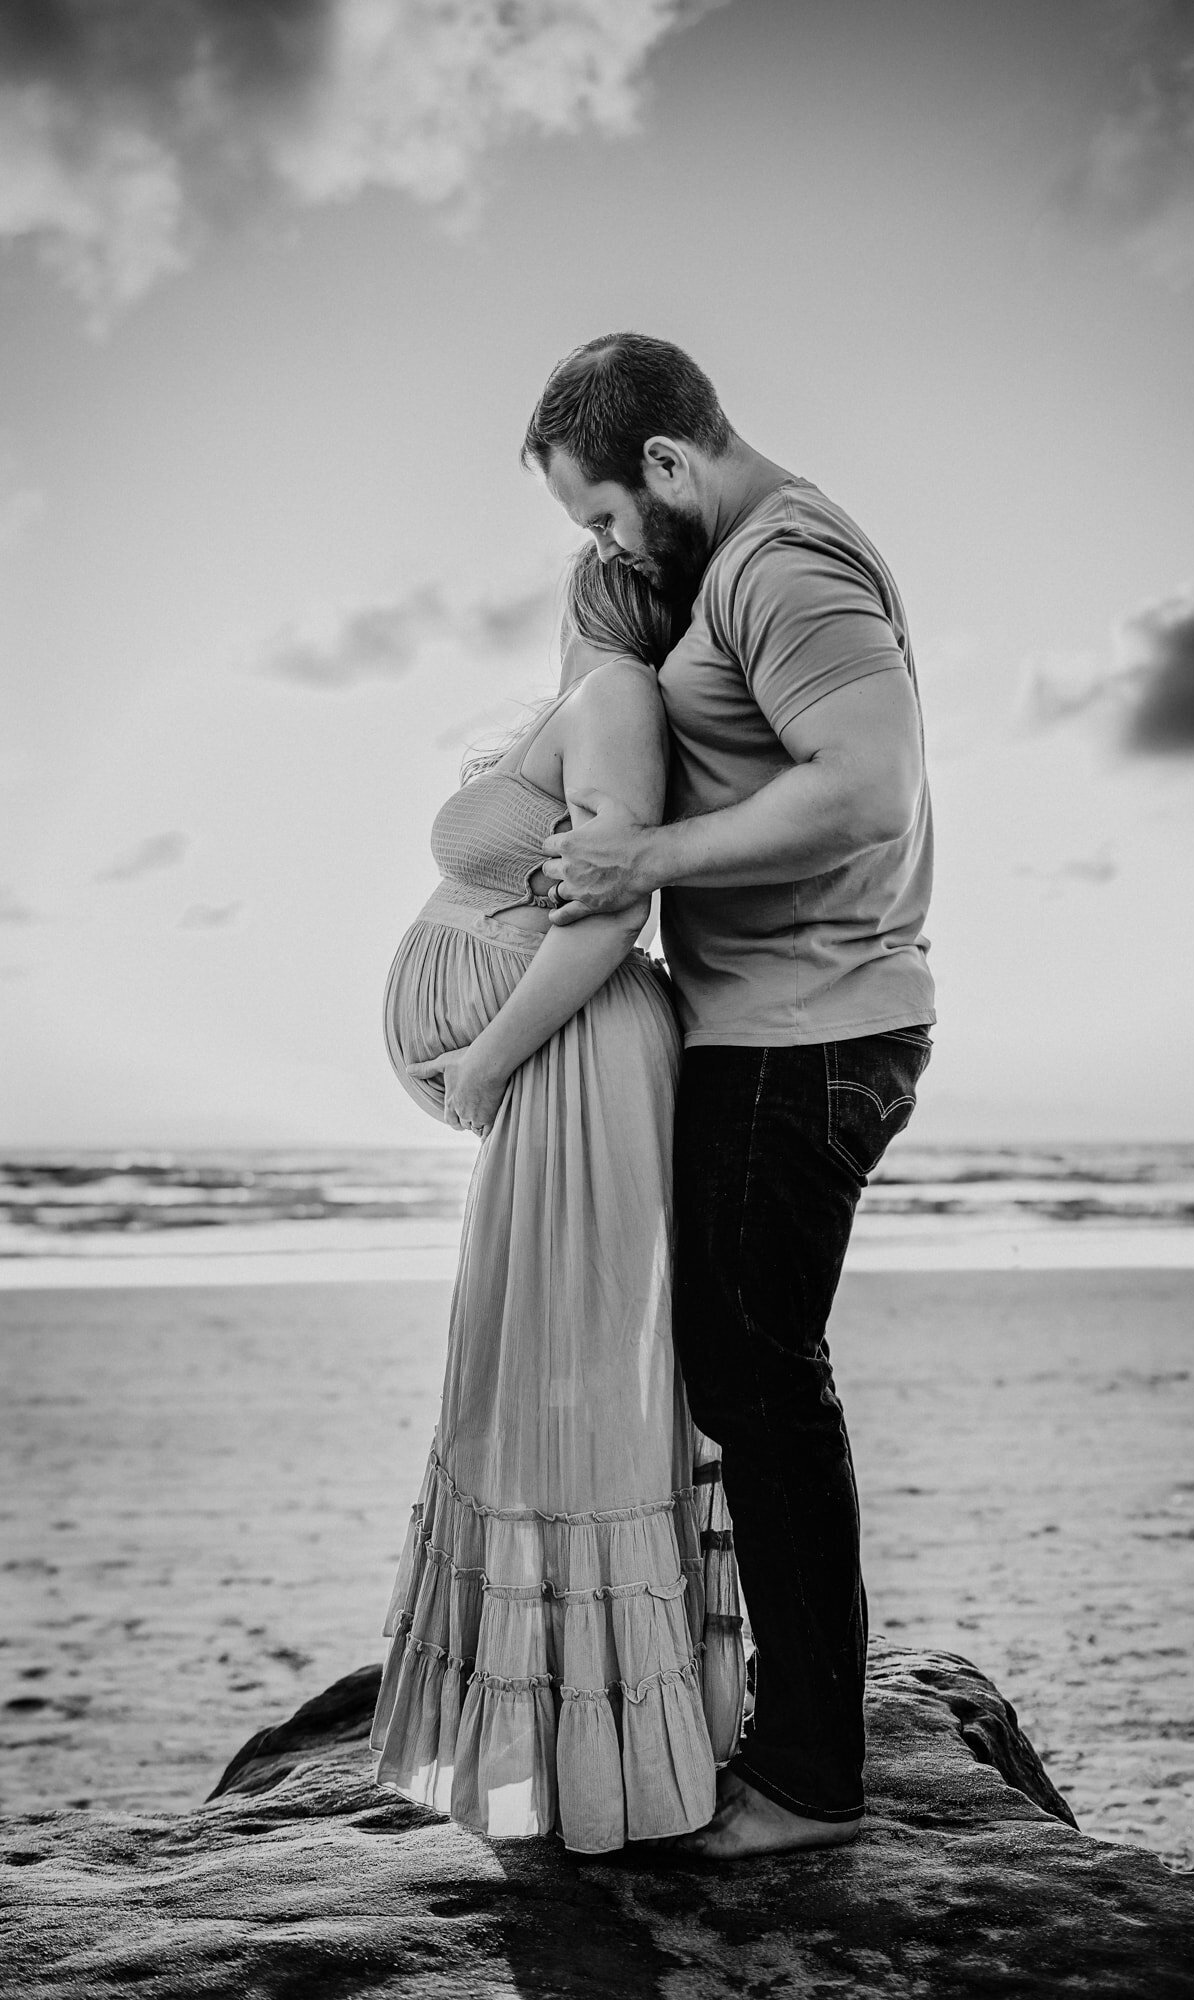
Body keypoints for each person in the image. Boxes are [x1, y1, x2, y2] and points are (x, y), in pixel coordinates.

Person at [524, 333, 936, 1858]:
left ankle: (811, 1779)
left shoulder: (782, 563)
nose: (610, 547)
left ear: (669, 466)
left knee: (760, 1386)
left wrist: (646, 861)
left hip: (805, 1035)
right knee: (749, 1379)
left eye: (604, 518)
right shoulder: (729, 573)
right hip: (779, 1029)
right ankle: (790, 1736)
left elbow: (865, 785)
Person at [369, 548, 746, 1854]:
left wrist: (480, 1054)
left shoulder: (617, 699)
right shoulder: (594, 704)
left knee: (562, 1387)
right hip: (565, 1063)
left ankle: (598, 1774)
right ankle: (576, 1763)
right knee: (541, 1378)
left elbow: (602, 919)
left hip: (573, 1055)